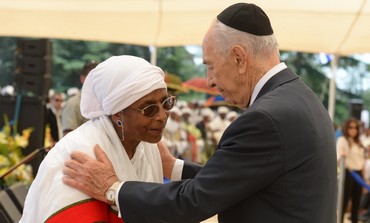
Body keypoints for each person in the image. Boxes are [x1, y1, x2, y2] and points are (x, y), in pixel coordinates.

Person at [63, 3, 337, 222]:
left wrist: (113, 188)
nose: (209, 81)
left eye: (211, 66)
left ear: (239, 58)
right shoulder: (299, 96)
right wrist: (174, 167)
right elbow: (244, 177)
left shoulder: (265, 118)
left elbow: (192, 203)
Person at [20, 55, 176, 222]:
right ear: (117, 113)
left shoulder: (146, 146)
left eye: (166, 102)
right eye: (149, 108)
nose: (162, 115)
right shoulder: (81, 158)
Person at [337, 118, 366, 223]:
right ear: (346, 128)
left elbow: (362, 161)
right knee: (343, 201)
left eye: (355, 128)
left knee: (356, 203)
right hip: (348, 173)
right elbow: (338, 158)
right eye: (351, 127)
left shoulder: (359, 142)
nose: (353, 130)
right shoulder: (342, 140)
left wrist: (364, 180)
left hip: (358, 174)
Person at [61, 61, 99, 136]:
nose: (96, 81)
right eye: (92, 78)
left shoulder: (102, 102)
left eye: (99, 78)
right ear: (82, 79)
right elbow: (68, 137)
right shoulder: (73, 103)